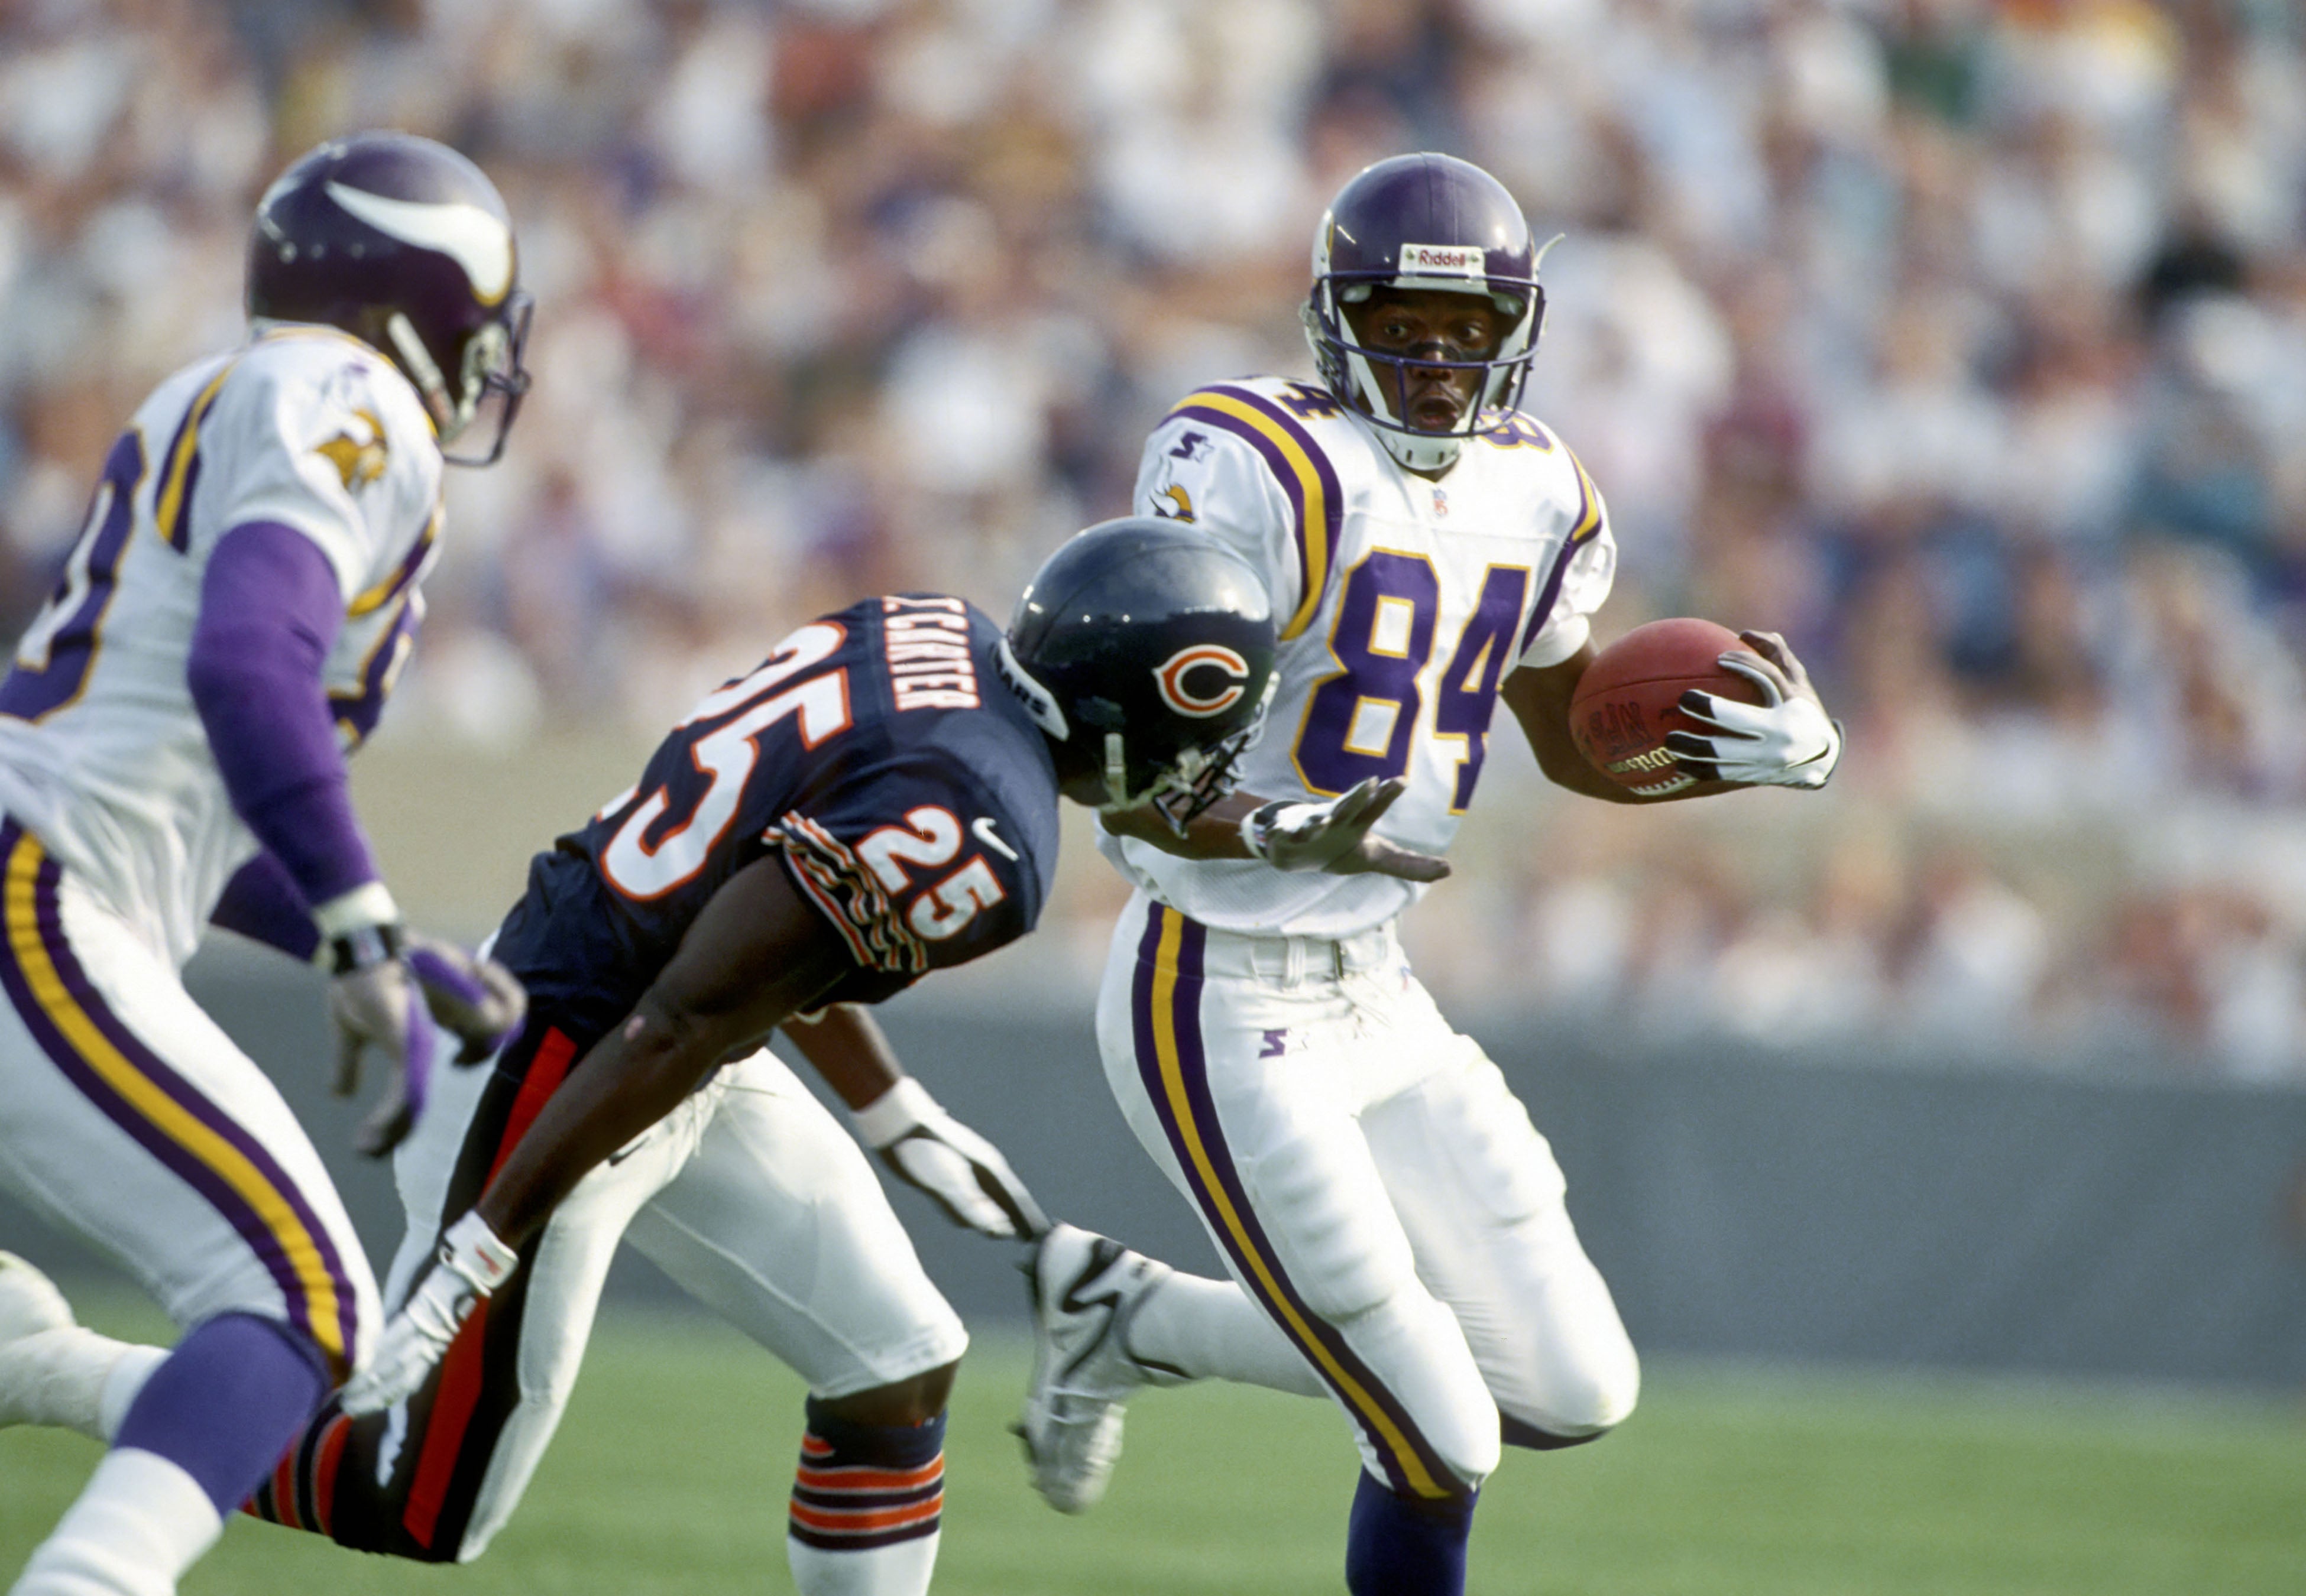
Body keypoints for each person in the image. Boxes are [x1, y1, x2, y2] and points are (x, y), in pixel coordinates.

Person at [1, 519, 1374, 1596]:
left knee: (896, 1362)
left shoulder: (937, 634)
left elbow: (758, 924)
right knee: (409, 1503)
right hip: (570, 1067)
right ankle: (53, 1367)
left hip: (652, 1024)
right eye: (1209, 729)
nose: (1210, 763)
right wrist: (484, 1242)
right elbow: (691, 1007)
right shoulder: (988, 829)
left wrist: (889, 1108)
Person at [1014, 153, 1842, 1596]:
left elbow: (1577, 743)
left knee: (1572, 1388)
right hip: (1216, 985)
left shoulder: (1541, 488)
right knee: (1438, 1434)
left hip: (1380, 991)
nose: (1441, 359)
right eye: (1403, 322)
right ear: (1337, 319)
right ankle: (1145, 1329)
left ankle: (1126, 1317)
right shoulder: (1254, 464)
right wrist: (1272, 830)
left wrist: (1738, 755)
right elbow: (1123, 778)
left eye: (1470, 329)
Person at [0, 131, 533, 1596]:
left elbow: (200, 802)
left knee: (297, 1308)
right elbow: (249, 666)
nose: (485, 362)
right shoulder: (351, 395)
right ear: (418, 301)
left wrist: (363, 935)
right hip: (41, 887)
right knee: (303, 1302)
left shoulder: (235, 388)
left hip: (53, 865)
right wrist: (357, 932)